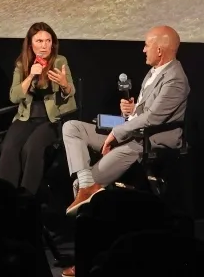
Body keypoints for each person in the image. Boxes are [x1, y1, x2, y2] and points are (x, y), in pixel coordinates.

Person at [61, 25, 189, 215]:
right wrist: (133, 109)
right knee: (72, 127)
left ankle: (88, 193)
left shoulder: (175, 79)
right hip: (133, 132)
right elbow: (146, 110)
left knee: (86, 183)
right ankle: (86, 184)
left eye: (146, 46)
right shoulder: (155, 71)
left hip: (147, 140)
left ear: (159, 50)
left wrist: (117, 131)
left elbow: (153, 117)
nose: (143, 50)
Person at [0, 22, 76, 194]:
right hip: (27, 117)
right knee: (9, 147)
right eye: (39, 41)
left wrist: (64, 84)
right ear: (30, 44)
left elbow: (71, 91)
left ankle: (27, 195)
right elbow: (14, 96)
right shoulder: (21, 64)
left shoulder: (60, 61)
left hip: (53, 119)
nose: (44, 45)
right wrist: (31, 74)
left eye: (48, 41)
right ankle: (3, 194)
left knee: (31, 148)